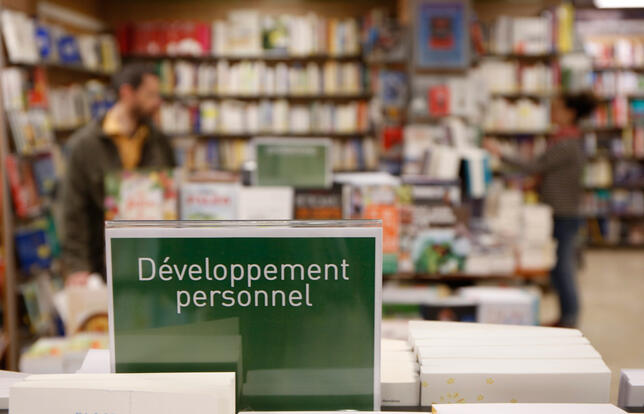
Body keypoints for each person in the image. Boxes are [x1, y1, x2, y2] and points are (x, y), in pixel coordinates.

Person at [484, 93, 597, 328]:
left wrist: (500, 152)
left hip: (564, 213)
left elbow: (535, 165)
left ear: (570, 113)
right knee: (558, 267)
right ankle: (566, 317)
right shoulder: (566, 139)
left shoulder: (566, 143)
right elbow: (554, 172)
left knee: (563, 267)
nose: (553, 112)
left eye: (558, 108)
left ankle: (570, 319)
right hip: (561, 210)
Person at [62, 63, 175, 285]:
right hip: (103, 263)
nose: (157, 102)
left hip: (156, 262)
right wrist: (77, 266)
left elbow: (171, 195)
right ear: (127, 93)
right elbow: (74, 209)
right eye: (150, 95)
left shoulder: (159, 141)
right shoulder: (85, 145)